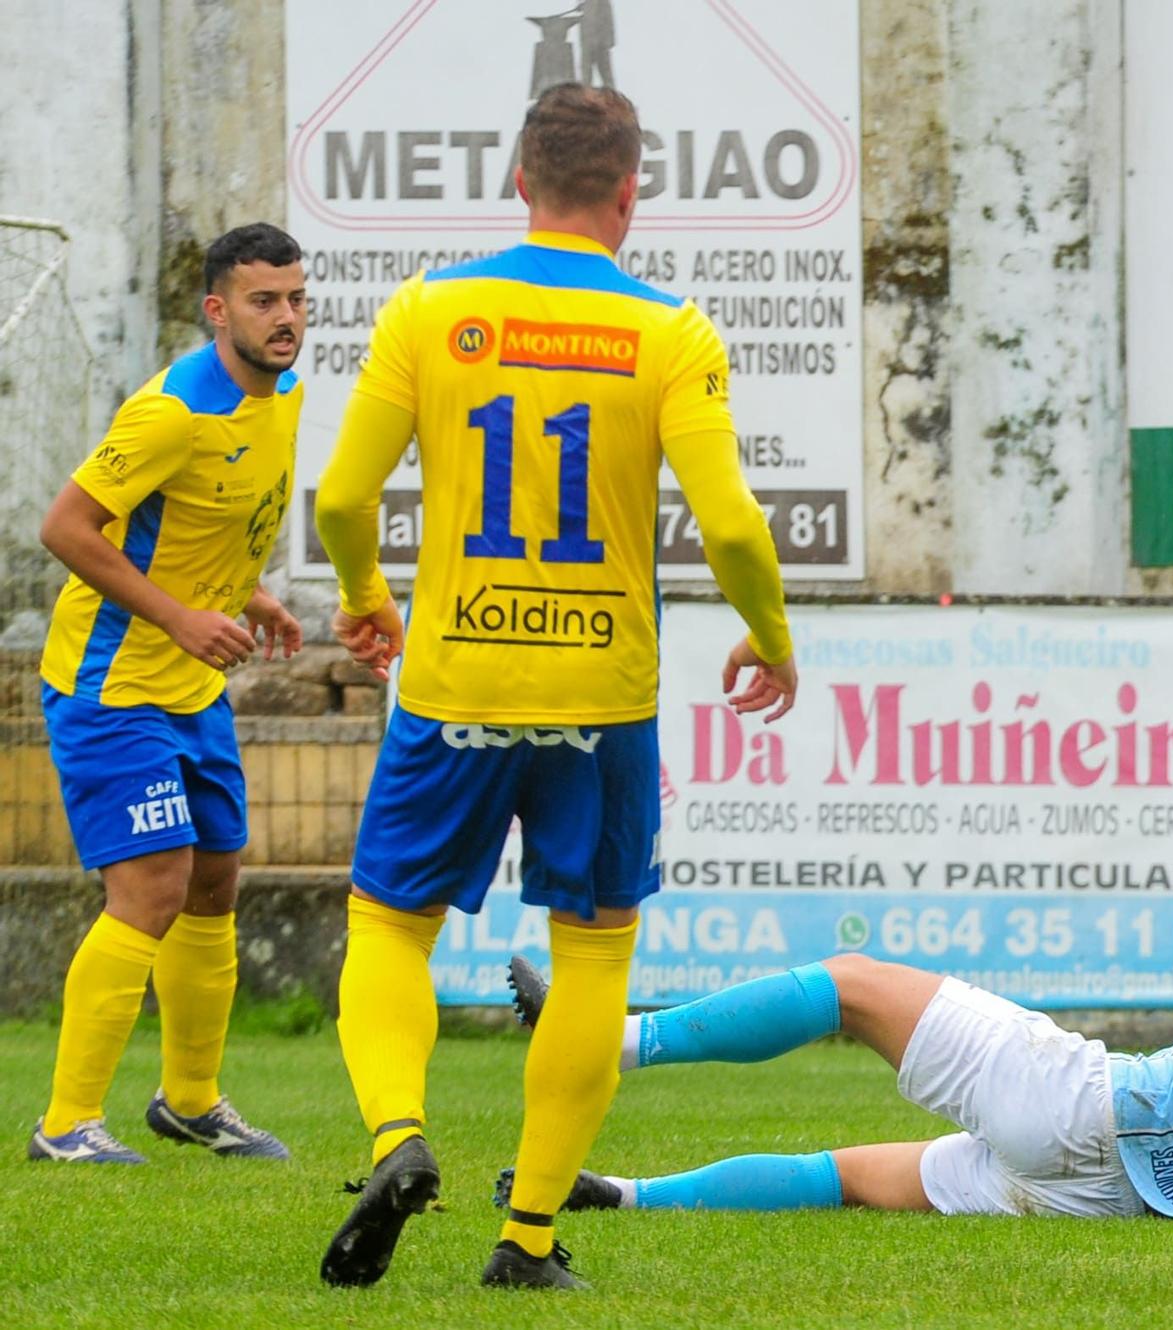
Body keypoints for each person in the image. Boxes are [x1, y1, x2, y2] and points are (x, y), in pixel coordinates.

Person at [313, 82, 796, 1290]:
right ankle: (525, 1238)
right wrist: (769, 636)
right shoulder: (670, 329)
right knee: (590, 960)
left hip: (454, 675)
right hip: (602, 692)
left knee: (387, 925)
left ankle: (395, 1136)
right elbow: (732, 524)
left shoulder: (430, 310)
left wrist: (368, 591)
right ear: (630, 194)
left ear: (516, 182)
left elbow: (339, 498)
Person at [495, 765, 1173, 1223]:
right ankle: (621, 1196)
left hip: (1087, 1106)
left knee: (851, 981)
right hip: (1111, 1201)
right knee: (850, 1177)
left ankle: (610, 1041)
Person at [29, 224, 305, 1167]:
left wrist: (249, 594)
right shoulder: (171, 411)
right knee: (150, 886)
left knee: (216, 879)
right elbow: (65, 528)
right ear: (216, 309)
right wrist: (183, 616)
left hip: (191, 687)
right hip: (112, 685)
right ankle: (65, 1125)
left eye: (298, 299)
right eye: (265, 301)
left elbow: (200, 520)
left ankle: (191, 1101)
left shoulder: (285, 395)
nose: (287, 319)